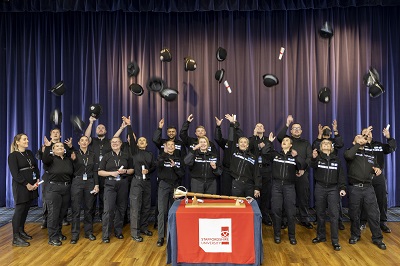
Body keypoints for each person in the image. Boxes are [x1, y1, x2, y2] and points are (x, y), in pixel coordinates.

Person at [344, 134, 386, 250]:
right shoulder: (350, 151)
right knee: (354, 213)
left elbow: (376, 166)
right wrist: (358, 144)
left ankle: (377, 238)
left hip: (368, 188)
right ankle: (355, 235)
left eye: (362, 138)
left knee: (373, 214)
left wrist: (377, 169)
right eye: (357, 137)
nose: (361, 138)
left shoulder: (370, 154)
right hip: (355, 188)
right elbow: (348, 156)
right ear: (354, 142)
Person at [263, 135, 304, 245]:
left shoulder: (293, 156)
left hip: (289, 186)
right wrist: (269, 142)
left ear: (291, 145)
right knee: (276, 211)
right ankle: (277, 235)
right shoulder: (276, 155)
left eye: (287, 140)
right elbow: (264, 152)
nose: (284, 142)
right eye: (283, 140)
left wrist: (297, 156)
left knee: (291, 212)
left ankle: (292, 236)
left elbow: (303, 166)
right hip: (276, 186)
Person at [84, 116, 126, 220]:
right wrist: (91, 123)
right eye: (99, 128)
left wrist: (121, 128)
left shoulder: (109, 141)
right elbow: (86, 136)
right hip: (94, 172)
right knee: (92, 197)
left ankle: (105, 218)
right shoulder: (92, 140)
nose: (101, 129)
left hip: (106, 172)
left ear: (106, 131)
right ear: (96, 130)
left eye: (103, 128)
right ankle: (91, 219)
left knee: (105, 197)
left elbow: (116, 138)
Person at [123, 116, 156, 243]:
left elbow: (153, 166)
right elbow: (131, 138)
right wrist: (129, 125)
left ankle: (143, 228)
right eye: (140, 140)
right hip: (136, 182)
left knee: (146, 206)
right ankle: (135, 232)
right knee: (136, 207)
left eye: (144, 140)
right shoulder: (134, 151)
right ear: (136, 143)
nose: (142, 141)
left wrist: (149, 170)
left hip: (147, 182)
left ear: (147, 144)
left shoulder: (150, 154)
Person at [277, 115, 313, 229]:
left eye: (298, 128)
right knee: (287, 198)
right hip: (288, 173)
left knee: (303, 197)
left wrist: (303, 169)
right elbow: (279, 137)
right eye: (294, 128)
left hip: (302, 173)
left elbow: (309, 157)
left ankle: (304, 219)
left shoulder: (306, 143)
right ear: (291, 131)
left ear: (301, 131)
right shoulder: (287, 140)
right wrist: (287, 124)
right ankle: (285, 220)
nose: (296, 130)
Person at [309, 139, 346, 251]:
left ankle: (335, 241)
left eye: (328, 144)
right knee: (320, 213)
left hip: (333, 189)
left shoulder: (337, 160)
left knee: (334, 215)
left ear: (331, 147)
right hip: (320, 187)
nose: (325, 144)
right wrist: (314, 157)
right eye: (323, 143)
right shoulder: (318, 158)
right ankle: (321, 236)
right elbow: (312, 165)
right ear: (321, 147)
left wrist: (342, 188)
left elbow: (341, 175)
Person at [360, 126, 396, 233]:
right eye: (365, 132)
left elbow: (392, 148)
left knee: (382, 198)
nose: (368, 133)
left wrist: (388, 137)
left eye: (369, 132)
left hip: (378, 176)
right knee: (364, 199)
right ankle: (362, 221)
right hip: (364, 176)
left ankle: (382, 222)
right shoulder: (360, 146)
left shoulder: (378, 145)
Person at [98, 136, 134, 243]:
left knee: (121, 209)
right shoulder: (106, 156)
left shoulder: (127, 156)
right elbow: (100, 172)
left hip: (123, 183)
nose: (115, 144)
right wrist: (110, 173)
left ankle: (118, 232)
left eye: (117, 142)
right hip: (109, 183)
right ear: (110, 144)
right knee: (108, 210)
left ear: (121, 143)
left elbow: (132, 170)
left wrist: (126, 171)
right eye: (112, 142)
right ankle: (106, 235)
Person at [36, 128, 73, 229]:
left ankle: (63, 218)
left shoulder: (64, 146)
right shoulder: (46, 145)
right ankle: (45, 219)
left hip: (62, 177)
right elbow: (40, 158)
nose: (56, 134)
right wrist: (45, 150)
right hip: (49, 176)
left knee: (63, 200)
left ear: (60, 136)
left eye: (58, 133)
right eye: (53, 133)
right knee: (47, 200)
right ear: (50, 135)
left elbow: (70, 158)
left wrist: (71, 147)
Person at [152, 118, 186, 228]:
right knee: (161, 205)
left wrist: (177, 167)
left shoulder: (180, 143)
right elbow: (154, 139)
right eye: (169, 131)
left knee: (174, 205)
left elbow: (183, 159)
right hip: (164, 175)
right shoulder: (162, 142)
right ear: (167, 133)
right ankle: (159, 225)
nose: (171, 133)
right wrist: (159, 128)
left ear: (176, 132)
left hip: (176, 176)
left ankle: (174, 227)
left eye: (173, 131)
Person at [312, 121, 346, 230]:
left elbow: (340, 144)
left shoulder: (333, 142)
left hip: (333, 171)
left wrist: (335, 131)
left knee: (336, 204)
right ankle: (319, 220)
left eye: (328, 129)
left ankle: (339, 221)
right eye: (324, 129)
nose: (326, 130)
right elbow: (315, 147)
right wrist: (320, 134)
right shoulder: (321, 142)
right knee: (320, 203)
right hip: (321, 172)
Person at [8, 133, 40, 247]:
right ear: (17, 142)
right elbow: (15, 174)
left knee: (26, 209)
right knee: (19, 210)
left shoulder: (29, 153)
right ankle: (16, 237)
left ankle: (21, 231)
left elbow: (35, 167)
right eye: (24, 139)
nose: (27, 141)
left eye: (27, 138)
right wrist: (26, 184)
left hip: (32, 184)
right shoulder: (13, 156)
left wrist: (37, 180)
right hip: (21, 186)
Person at [42, 138, 74, 246]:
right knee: (53, 214)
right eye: (57, 146)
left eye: (61, 146)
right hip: (53, 189)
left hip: (66, 188)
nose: (60, 147)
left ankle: (59, 232)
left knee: (62, 213)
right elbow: (44, 159)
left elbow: (74, 155)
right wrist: (47, 147)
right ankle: (52, 237)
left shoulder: (67, 160)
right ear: (53, 150)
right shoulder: (50, 159)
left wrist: (71, 147)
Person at [69, 135, 99, 244]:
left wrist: (96, 184)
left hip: (90, 182)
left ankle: (88, 232)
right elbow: (70, 168)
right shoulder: (74, 154)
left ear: (88, 143)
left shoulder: (93, 155)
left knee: (89, 209)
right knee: (76, 209)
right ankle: (75, 234)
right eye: (82, 140)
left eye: (86, 140)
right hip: (77, 182)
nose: (84, 142)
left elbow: (95, 171)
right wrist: (73, 160)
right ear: (78, 143)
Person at [156, 140, 185, 247]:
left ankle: (174, 235)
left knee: (174, 211)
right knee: (162, 211)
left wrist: (175, 167)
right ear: (166, 147)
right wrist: (164, 154)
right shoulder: (161, 157)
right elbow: (158, 166)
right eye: (169, 145)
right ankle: (160, 237)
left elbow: (182, 174)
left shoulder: (179, 159)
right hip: (163, 185)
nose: (171, 146)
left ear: (175, 147)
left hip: (175, 186)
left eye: (172, 145)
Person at [225, 114, 261, 198]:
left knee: (249, 207)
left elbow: (256, 173)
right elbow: (231, 139)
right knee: (236, 207)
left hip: (249, 185)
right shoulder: (234, 152)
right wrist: (232, 124)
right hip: (236, 183)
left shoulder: (252, 157)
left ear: (248, 145)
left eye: (245, 142)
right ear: (238, 144)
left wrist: (257, 187)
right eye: (241, 142)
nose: (243, 144)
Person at [249, 123, 273, 226]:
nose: (259, 127)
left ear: (264, 130)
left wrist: (266, 144)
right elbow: (248, 149)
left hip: (265, 169)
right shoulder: (251, 139)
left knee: (265, 194)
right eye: (257, 126)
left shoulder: (268, 140)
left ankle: (265, 216)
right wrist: (255, 139)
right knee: (252, 193)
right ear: (254, 129)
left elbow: (269, 154)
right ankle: (252, 216)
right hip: (253, 170)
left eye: (261, 126)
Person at [214, 115, 244, 196]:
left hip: (237, 171)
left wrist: (234, 123)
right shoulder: (227, 143)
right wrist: (218, 127)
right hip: (226, 170)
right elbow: (218, 139)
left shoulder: (241, 144)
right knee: (225, 191)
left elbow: (241, 136)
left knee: (236, 192)